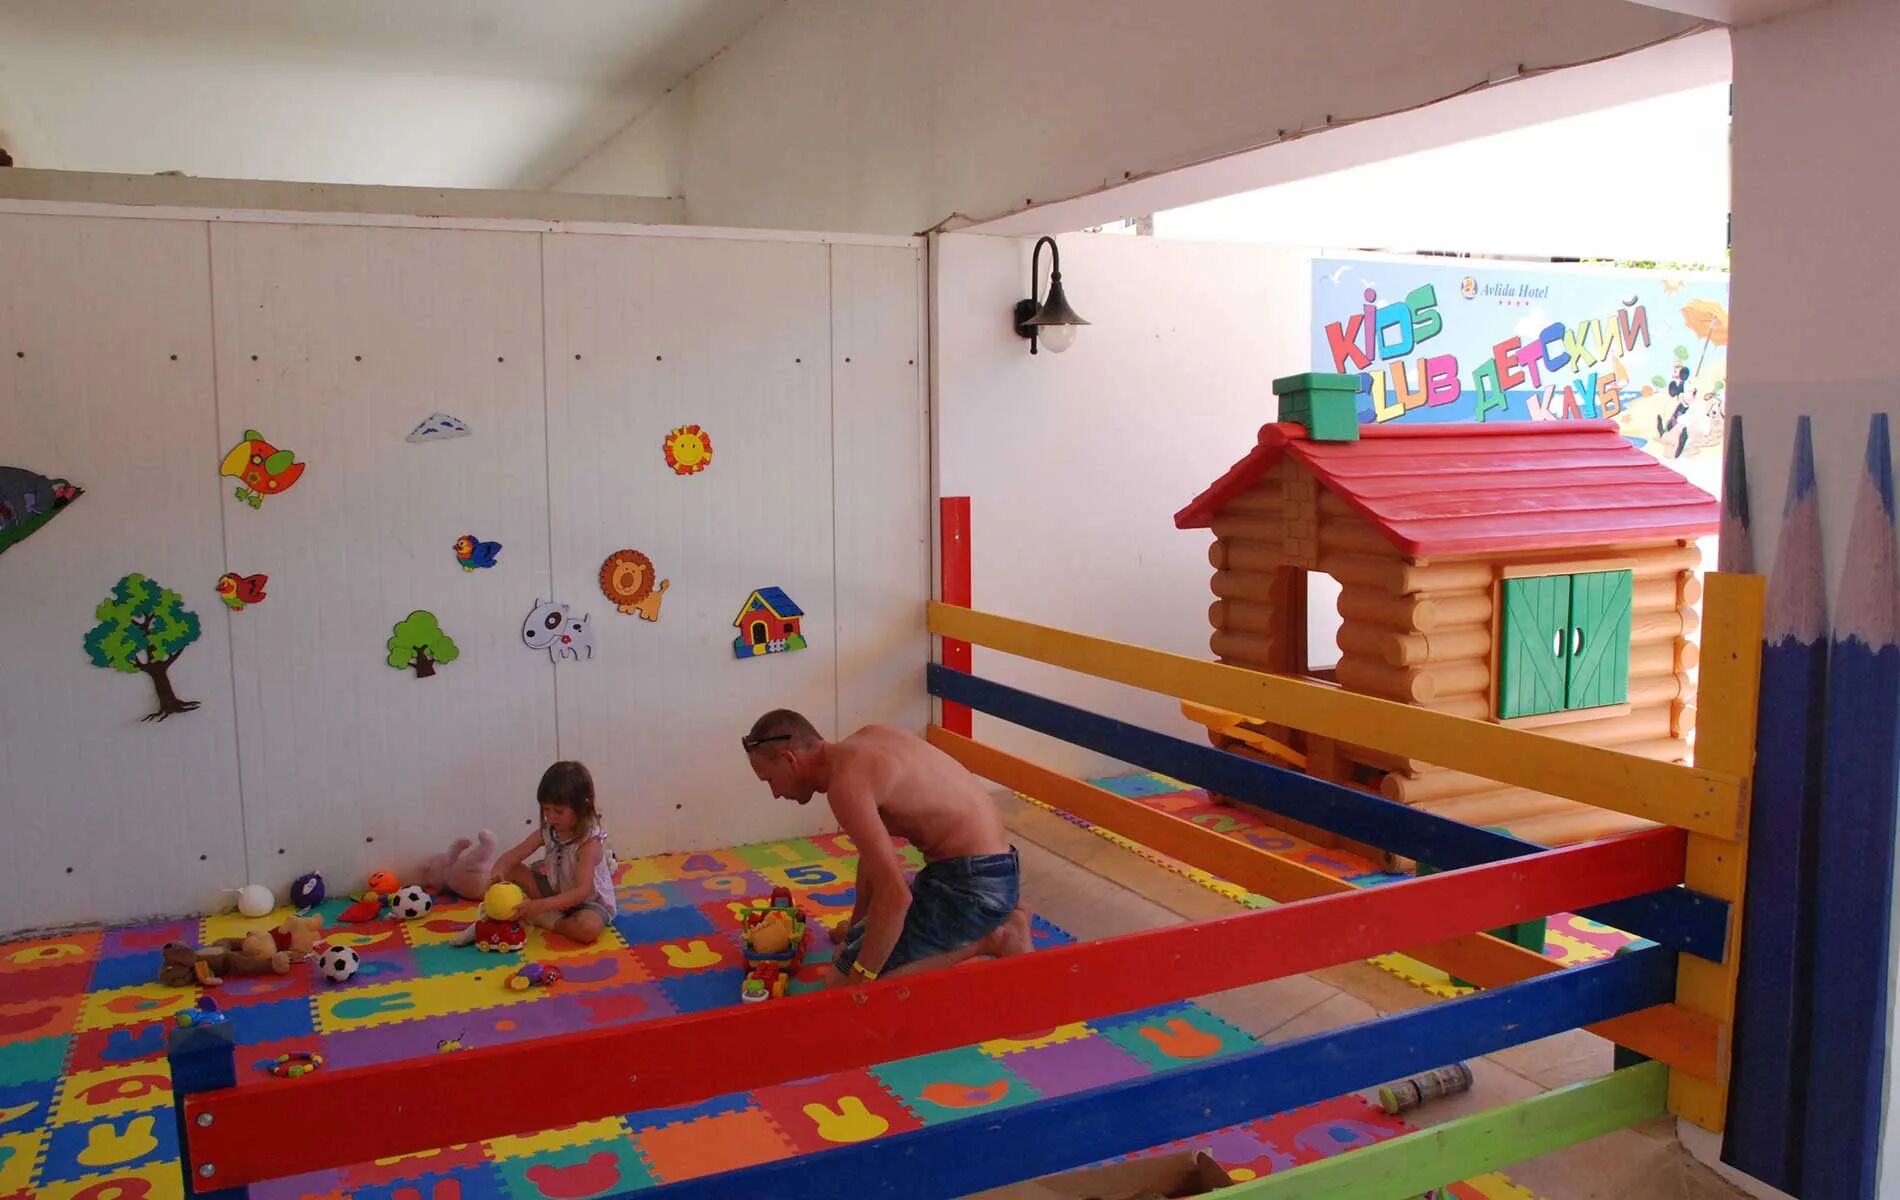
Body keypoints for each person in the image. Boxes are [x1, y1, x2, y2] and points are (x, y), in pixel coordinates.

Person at [741, 709, 1032, 986]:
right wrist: (855, 929)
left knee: (840, 983)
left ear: (789, 759)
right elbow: (872, 859)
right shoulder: (865, 739)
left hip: (975, 887)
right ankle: (998, 917)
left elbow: (895, 897)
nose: (775, 793)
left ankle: (996, 936)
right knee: (844, 955)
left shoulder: (846, 786)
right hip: (985, 868)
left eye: (770, 780)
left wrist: (863, 976)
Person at [491, 761, 617, 945]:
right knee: (512, 869)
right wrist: (498, 871)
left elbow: (582, 892)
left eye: (558, 811)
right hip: (555, 892)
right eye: (546, 809)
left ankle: (550, 921)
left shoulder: (589, 844)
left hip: (587, 903)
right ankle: (544, 912)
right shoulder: (547, 831)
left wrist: (540, 907)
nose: (550, 817)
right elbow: (514, 855)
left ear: (581, 808)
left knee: (587, 928)